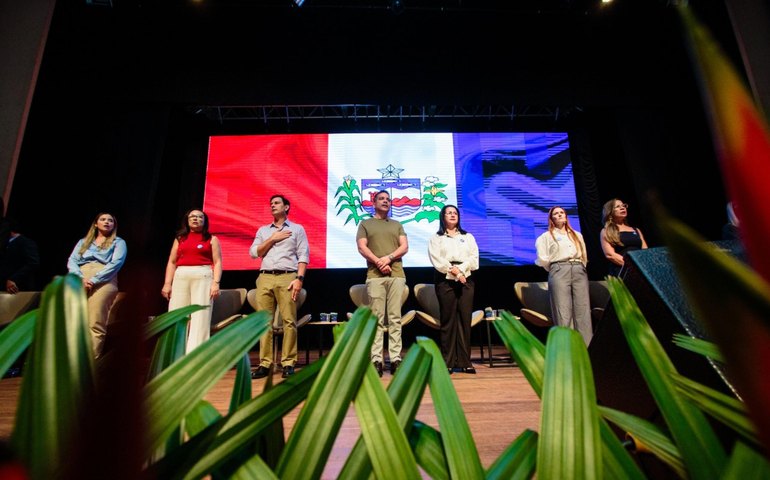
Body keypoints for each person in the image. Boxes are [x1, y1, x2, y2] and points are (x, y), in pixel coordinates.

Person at [249, 195, 309, 379]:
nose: (272, 206)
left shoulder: (297, 229)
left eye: (276, 203)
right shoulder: (263, 230)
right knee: (264, 323)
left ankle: (288, 363)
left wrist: (299, 279)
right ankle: (265, 364)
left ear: (287, 207)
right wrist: (273, 239)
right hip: (265, 276)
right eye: (271, 204)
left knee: (289, 321)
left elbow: (303, 255)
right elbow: (254, 253)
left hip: (287, 276)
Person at [356, 190, 409, 377]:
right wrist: (379, 262)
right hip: (375, 276)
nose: (386, 201)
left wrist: (388, 258)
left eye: (388, 199)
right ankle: (376, 360)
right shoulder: (365, 224)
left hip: (396, 275)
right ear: (374, 202)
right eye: (382, 199)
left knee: (395, 318)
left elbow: (404, 246)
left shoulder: (397, 224)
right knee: (377, 319)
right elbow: (362, 247)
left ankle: (395, 359)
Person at [161, 209, 222, 354]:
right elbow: (172, 262)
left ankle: (196, 354)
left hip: (203, 274)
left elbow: (218, 262)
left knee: (201, 315)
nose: (196, 219)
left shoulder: (212, 238)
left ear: (205, 221)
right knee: (177, 313)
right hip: (181, 275)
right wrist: (167, 283)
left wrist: (216, 282)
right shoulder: (180, 238)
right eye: (192, 217)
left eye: (200, 217)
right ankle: (174, 353)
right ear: (187, 220)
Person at [67, 212, 127, 358]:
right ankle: (70, 360)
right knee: (73, 320)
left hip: (104, 279)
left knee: (95, 321)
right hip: (79, 277)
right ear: (96, 224)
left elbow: (116, 263)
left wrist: (94, 280)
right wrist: (80, 278)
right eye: (103, 219)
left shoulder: (118, 242)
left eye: (110, 220)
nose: (107, 222)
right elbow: (72, 260)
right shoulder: (83, 242)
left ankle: (90, 362)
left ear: (114, 225)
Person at [428, 205, 479, 374]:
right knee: (448, 320)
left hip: (466, 277)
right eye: (449, 213)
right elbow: (437, 260)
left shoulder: (468, 236)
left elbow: (474, 258)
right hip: (445, 279)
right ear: (442, 217)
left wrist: (461, 270)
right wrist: (454, 272)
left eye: (455, 212)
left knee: (464, 320)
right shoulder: (437, 238)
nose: (452, 215)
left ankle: (465, 361)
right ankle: (448, 362)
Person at [535, 206, 592, 345]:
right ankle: (567, 348)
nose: (560, 215)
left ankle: (586, 348)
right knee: (563, 310)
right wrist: (556, 267)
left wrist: (580, 266)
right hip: (559, 269)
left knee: (583, 310)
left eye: (562, 212)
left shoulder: (577, 235)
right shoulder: (546, 236)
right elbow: (542, 258)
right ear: (551, 218)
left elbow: (584, 254)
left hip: (578, 268)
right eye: (556, 213)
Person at [600, 199, 648, 277]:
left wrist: (643, 265)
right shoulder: (606, 231)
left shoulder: (636, 230)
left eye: (623, 206)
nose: (623, 208)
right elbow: (610, 255)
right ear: (610, 212)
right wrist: (631, 266)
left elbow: (645, 250)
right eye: (618, 207)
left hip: (642, 269)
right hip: (623, 270)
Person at [0, 218, 40, 293]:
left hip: (19, 289)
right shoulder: (5, 244)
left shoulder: (26, 242)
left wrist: (14, 279)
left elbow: (33, 263)